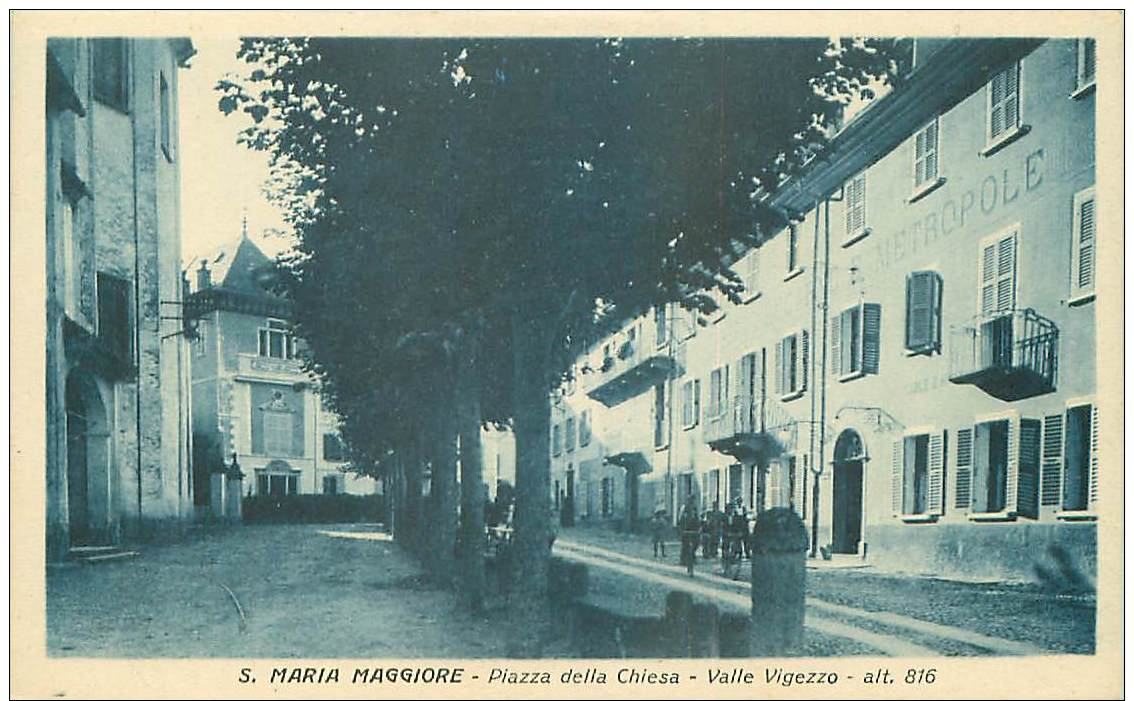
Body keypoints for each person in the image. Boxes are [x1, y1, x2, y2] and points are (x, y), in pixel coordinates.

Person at [677, 495, 700, 577]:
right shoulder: (684, 508)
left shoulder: (695, 509)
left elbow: (697, 519)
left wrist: (698, 528)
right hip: (686, 531)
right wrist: (681, 530)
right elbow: (680, 520)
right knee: (686, 547)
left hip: (694, 531)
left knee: (695, 546)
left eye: (693, 500)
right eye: (690, 500)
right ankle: (687, 564)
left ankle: (692, 558)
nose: (692, 502)